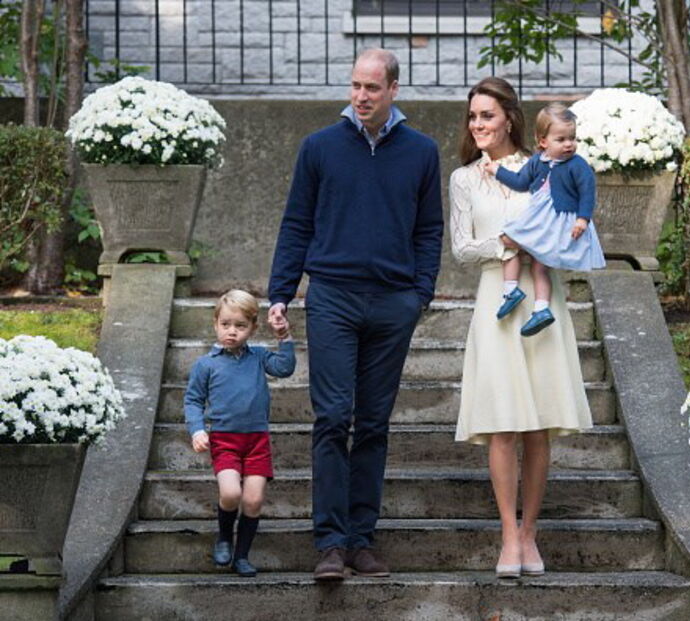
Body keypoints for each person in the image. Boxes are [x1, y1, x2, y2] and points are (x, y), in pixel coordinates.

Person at [267, 48, 443, 582]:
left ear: (393, 90)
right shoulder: (320, 147)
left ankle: (362, 541)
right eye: (354, 86)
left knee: (371, 423)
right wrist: (281, 291)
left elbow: (429, 228)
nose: (361, 97)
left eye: (372, 88)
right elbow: (297, 222)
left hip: (393, 303)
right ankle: (330, 544)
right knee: (332, 418)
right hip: (333, 298)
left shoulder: (422, 151)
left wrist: (420, 294)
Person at [449, 77, 593, 579]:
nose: (478, 125)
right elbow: (462, 248)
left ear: (508, 117)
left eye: (486, 115)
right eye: (472, 117)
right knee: (503, 424)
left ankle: (530, 532)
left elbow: (573, 217)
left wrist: (548, 241)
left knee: (538, 425)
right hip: (496, 296)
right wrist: (507, 244)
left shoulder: (545, 167)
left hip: (540, 295)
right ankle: (508, 535)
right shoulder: (464, 179)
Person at [184, 289, 296, 577]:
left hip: (257, 440)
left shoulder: (257, 357)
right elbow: (193, 400)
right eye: (225, 325)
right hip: (224, 439)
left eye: (240, 326)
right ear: (215, 324)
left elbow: (284, 368)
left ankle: (242, 556)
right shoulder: (206, 364)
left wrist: (284, 337)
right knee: (231, 493)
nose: (231, 332)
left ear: (253, 328)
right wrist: (197, 430)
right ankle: (224, 537)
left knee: (253, 500)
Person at [484, 103, 606, 336]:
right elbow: (520, 182)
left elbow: (588, 192)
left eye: (572, 138)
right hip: (539, 219)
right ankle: (518, 295)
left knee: (535, 260)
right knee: (513, 245)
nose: (569, 144)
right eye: (561, 139)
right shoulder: (537, 162)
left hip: (558, 221)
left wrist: (582, 219)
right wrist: (497, 171)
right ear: (543, 141)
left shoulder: (577, 165)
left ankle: (536, 305)